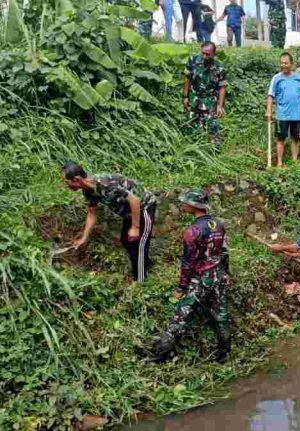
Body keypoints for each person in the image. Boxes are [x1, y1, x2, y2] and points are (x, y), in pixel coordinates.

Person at [147, 189, 232, 363]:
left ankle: (161, 355)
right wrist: (227, 272)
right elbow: (224, 252)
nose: (183, 205)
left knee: (180, 316)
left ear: (193, 205)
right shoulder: (219, 224)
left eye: (185, 202)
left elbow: (188, 263)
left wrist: (181, 287)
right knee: (221, 315)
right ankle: (224, 355)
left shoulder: (192, 231)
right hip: (218, 276)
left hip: (200, 279)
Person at [61, 161, 157, 283]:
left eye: (66, 182)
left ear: (77, 179)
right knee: (126, 240)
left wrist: (135, 227)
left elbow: (135, 201)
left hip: (144, 207)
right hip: (129, 212)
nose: (65, 186)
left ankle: (141, 282)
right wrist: (84, 237)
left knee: (140, 244)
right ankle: (145, 264)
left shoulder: (105, 185)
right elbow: (92, 213)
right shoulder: (88, 190)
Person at [267, 52, 300, 167]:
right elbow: (271, 95)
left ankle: (294, 161)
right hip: (282, 115)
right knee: (280, 138)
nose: (284, 65)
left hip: (297, 115)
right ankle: (280, 163)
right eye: (282, 63)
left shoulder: (298, 78)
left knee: (295, 139)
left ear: (291, 64)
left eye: (286, 63)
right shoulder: (276, 78)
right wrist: (268, 110)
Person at [184, 42, 227, 151]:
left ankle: (214, 151)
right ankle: (195, 150)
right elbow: (187, 78)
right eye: (203, 53)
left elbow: (222, 87)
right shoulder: (193, 60)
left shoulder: (219, 66)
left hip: (210, 99)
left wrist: (220, 106)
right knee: (193, 125)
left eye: (208, 54)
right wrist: (185, 97)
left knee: (213, 125)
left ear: (213, 54)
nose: (204, 56)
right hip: (195, 97)